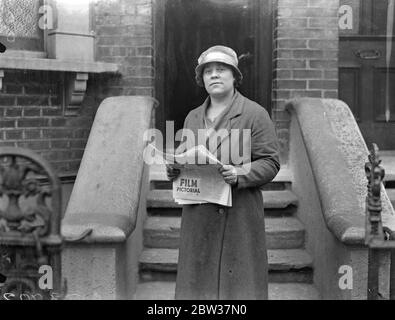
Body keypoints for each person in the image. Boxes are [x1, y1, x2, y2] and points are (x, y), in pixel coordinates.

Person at [166, 45, 280, 300]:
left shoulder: (254, 114)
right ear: (201, 79)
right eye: (208, 72)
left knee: (239, 290)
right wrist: (174, 169)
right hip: (199, 217)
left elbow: (270, 162)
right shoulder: (192, 117)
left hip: (238, 217)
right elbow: (185, 158)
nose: (214, 76)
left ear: (234, 77)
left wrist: (240, 174)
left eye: (221, 70)